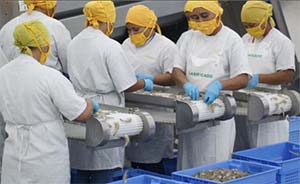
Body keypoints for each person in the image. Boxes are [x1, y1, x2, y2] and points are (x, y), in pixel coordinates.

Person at [0, 20, 99, 184]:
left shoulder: (3, 74)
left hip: (14, 155)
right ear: (44, 46)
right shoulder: (49, 76)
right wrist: (89, 104)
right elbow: (79, 113)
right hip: (45, 158)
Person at [67, 1, 154, 183]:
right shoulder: (110, 45)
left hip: (80, 106)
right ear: (108, 20)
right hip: (105, 108)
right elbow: (127, 84)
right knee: (103, 165)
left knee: (82, 163)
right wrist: (144, 83)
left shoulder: (74, 42)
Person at [173, 0, 252, 169]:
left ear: (217, 12)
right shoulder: (188, 37)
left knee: (214, 166)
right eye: (194, 17)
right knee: (189, 163)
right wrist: (186, 84)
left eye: (204, 15)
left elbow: (243, 77)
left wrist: (219, 85)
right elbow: (177, 70)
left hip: (217, 110)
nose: (200, 21)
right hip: (192, 110)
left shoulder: (231, 39)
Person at [122, 5, 179, 174]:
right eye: (129, 30)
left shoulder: (166, 47)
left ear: (150, 26)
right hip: (132, 106)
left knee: (154, 162)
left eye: (136, 29)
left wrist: (150, 80)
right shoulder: (126, 44)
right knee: (134, 159)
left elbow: (173, 76)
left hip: (157, 109)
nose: (132, 34)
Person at [241, 1, 295, 148]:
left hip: (272, 103)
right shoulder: (245, 39)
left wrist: (258, 78)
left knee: (270, 145)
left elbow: (287, 75)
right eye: (246, 25)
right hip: (249, 101)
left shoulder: (281, 42)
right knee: (252, 146)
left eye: (253, 25)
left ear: (265, 20)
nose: (249, 29)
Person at [0, 0, 70, 75]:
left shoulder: (6, 28)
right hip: (50, 81)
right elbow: (68, 63)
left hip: (12, 83)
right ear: (49, 5)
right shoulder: (55, 26)